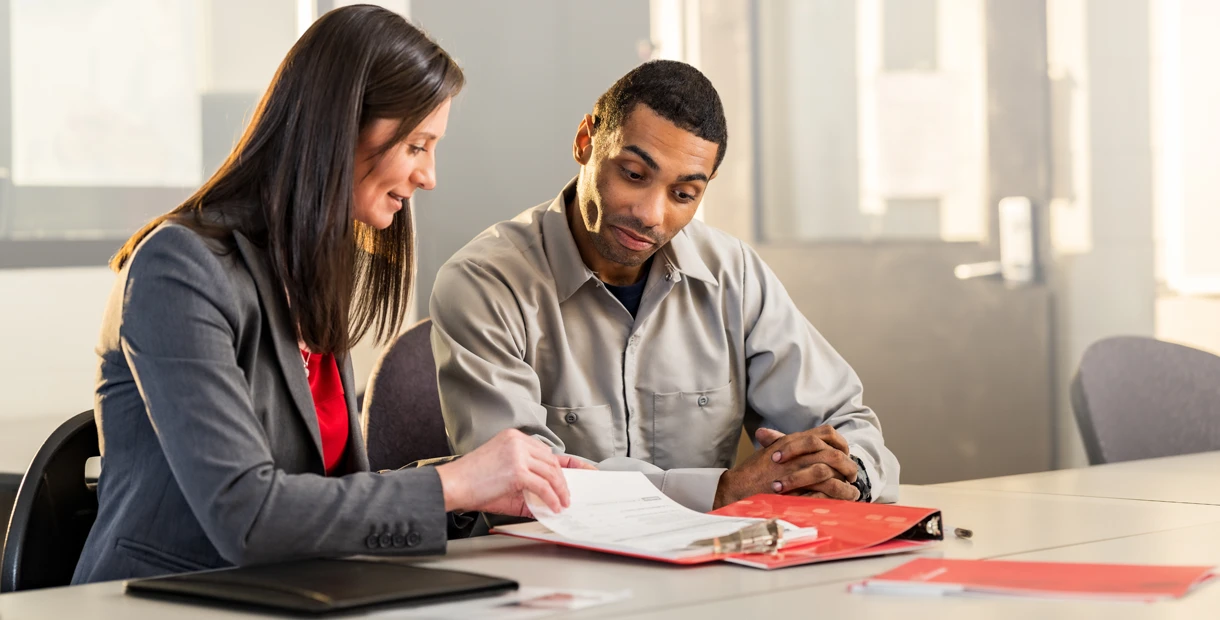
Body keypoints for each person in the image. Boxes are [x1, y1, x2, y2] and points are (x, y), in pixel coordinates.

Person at [73, 5, 588, 585]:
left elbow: (326, 497)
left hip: (291, 592)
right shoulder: (179, 268)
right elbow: (249, 517)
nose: (429, 176)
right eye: (417, 145)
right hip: (163, 599)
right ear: (341, 126)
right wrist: (456, 483)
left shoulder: (308, 271)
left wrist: (491, 480)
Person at [430, 60, 899, 514]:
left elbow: (846, 423)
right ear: (585, 141)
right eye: (634, 175)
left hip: (712, 572)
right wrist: (720, 492)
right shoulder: (483, 283)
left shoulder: (732, 274)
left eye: (683, 195)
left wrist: (841, 474)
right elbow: (521, 489)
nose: (651, 215)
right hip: (554, 576)